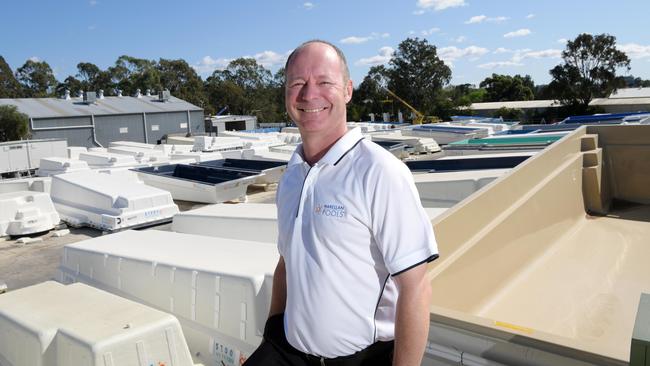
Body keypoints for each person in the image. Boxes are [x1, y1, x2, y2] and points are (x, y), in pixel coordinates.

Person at [245, 40, 438, 366]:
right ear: (286, 95)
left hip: (362, 359)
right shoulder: (292, 174)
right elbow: (285, 263)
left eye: (324, 82)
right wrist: (273, 332)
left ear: (347, 90)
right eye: (298, 84)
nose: (309, 95)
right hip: (289, 351)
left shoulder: (379, 171)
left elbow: (416, 286)